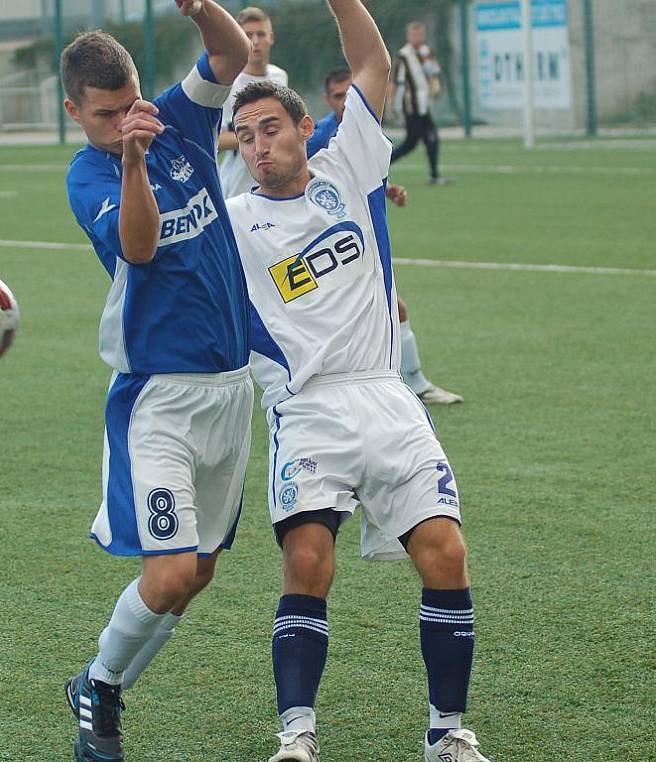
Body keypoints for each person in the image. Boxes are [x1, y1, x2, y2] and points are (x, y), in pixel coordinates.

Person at [227, 1, 490, 760]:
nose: (258, 146)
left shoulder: (350, 165)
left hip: (384, 395)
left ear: (306, 128)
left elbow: (372, 66)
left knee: (444, 551)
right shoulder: (235, 221)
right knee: (308, 560)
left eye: (270, 129)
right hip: (304, 408)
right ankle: (297, 736)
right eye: (244, 137)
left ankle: (448, 733)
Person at [59, 5, 252, 760]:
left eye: (130, 103)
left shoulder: (175, 117)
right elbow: (138, 250)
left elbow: (230, 56)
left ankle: (100, 683)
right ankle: (100, 690)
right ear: (74, 110)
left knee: (196, 574)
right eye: (105, 114)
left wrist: (204, 9)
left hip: (232, 392)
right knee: (168, 570)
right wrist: (133, 160)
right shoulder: (91, 174)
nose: (123, 121)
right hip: (161, 401)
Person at [309, 67, 463, 405]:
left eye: (350, 94)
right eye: (338, 96)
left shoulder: (364, 129)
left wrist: (387, 189)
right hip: (333, 246)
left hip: (361, 241)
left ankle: (405, 385)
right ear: (326, 99)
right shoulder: (319, 138)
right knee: (387, 311)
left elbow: (358, 178)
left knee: (390, 311)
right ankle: (408, 386)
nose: (346, 103)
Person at [218, 6, 288, 198]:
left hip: (276, 182)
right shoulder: (226, 84)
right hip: (238, 188)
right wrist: (259, 135)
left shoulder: (280, 77)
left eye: (261, 34)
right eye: (248, 35)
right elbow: (215, 140)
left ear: (271, 38)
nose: (255, 41)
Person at [387, 21, 450, 185]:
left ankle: (434, 175)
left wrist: (435, 88)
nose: (418, 37)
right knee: (413, 142)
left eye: (420, 34)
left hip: (423, 105)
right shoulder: (403, 56)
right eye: (414, 34)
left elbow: (432, 73)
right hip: (411, 106)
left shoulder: (426, 52)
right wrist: (391, 104)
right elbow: (394, 82)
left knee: (427, 139)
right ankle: (382, 167)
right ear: (409, 36)